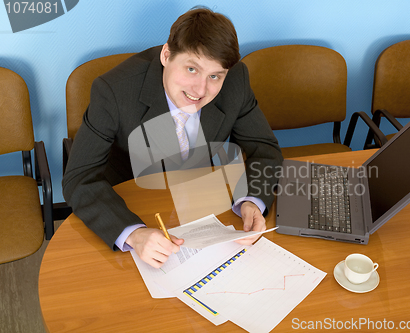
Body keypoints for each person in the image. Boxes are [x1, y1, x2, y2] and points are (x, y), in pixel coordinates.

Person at [62, 7, 283, 268]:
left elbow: (265, 149)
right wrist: (133, 233)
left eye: (214, 76)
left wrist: (252, 201)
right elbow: (79, 177)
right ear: (166, 55)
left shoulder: (236, 80)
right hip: (133, 198)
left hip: (198, 200)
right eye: (191, 69)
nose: (200, 90)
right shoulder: (113, 91)